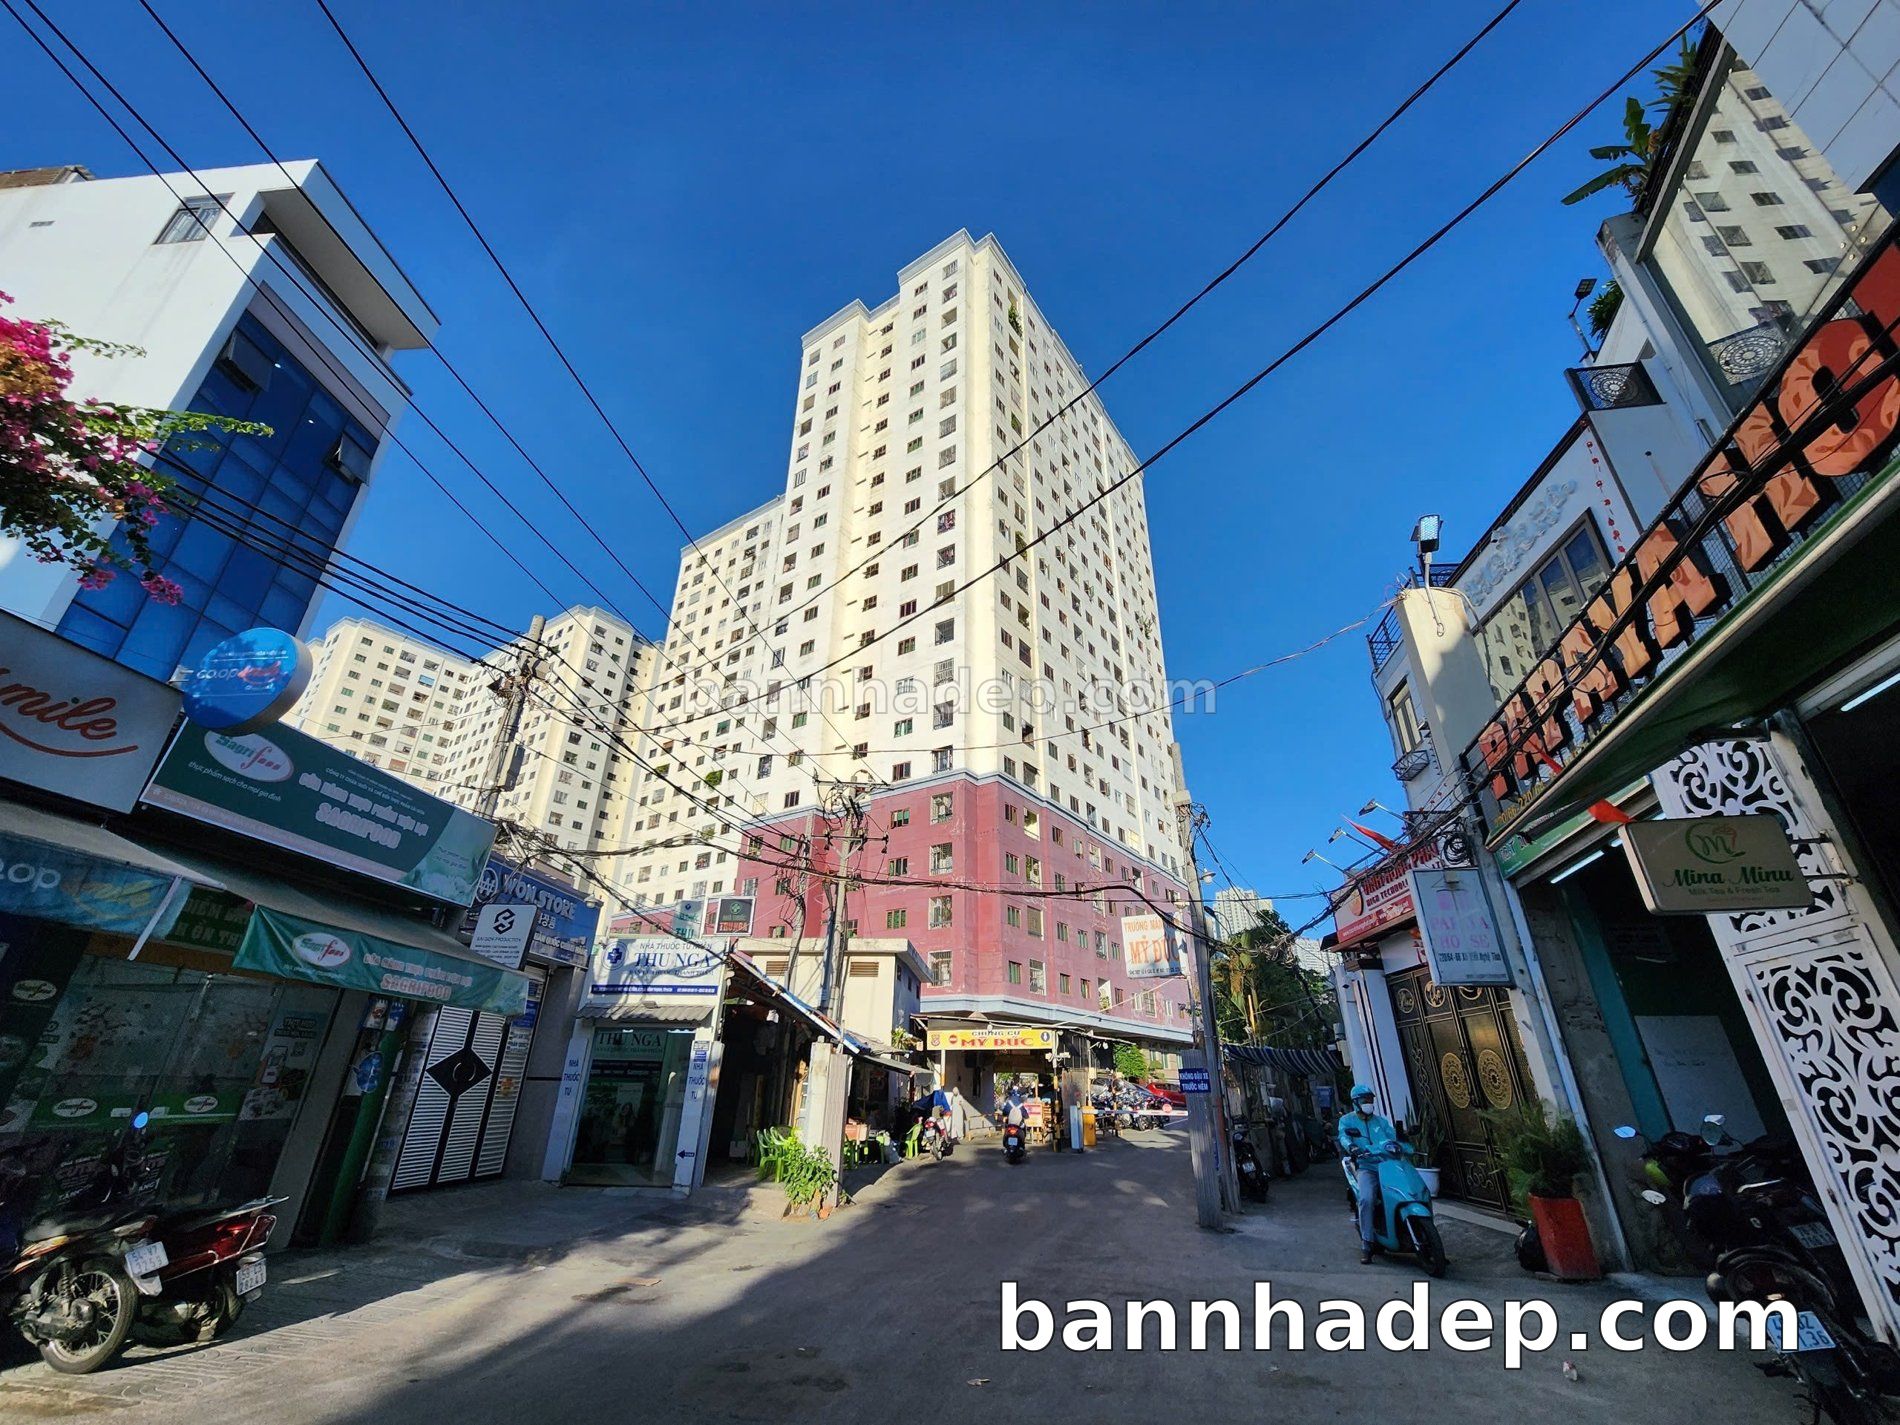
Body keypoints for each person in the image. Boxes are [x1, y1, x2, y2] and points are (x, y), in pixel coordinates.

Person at [1337, 1083, 1396, 1265]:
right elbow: (1343, 1137)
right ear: (1356, 1102)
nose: (1368, 1103)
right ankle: (1367, 1243)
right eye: (1364, 1100)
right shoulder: (1347, 1121)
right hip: (1366, 1167)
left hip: (1388, 1165)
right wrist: (1352, 1147)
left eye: (1370, 1100)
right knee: (1366, 1199)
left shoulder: (1381, 1122)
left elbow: (1393, 1137)